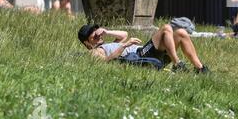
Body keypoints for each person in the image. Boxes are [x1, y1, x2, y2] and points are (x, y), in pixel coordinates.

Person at [78, 23, 210, 74]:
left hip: (149, 55)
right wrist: (124, 45)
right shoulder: (94, 52)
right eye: (93, 35)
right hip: (141, 57)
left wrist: (106, 31)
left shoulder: (107, 44)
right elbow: (105, 61)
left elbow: (124, 34)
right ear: (87, 42)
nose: (97, 35)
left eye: (96, 32)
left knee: (181, 32)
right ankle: (177, 63)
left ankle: (200, 69)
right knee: (166, 28)